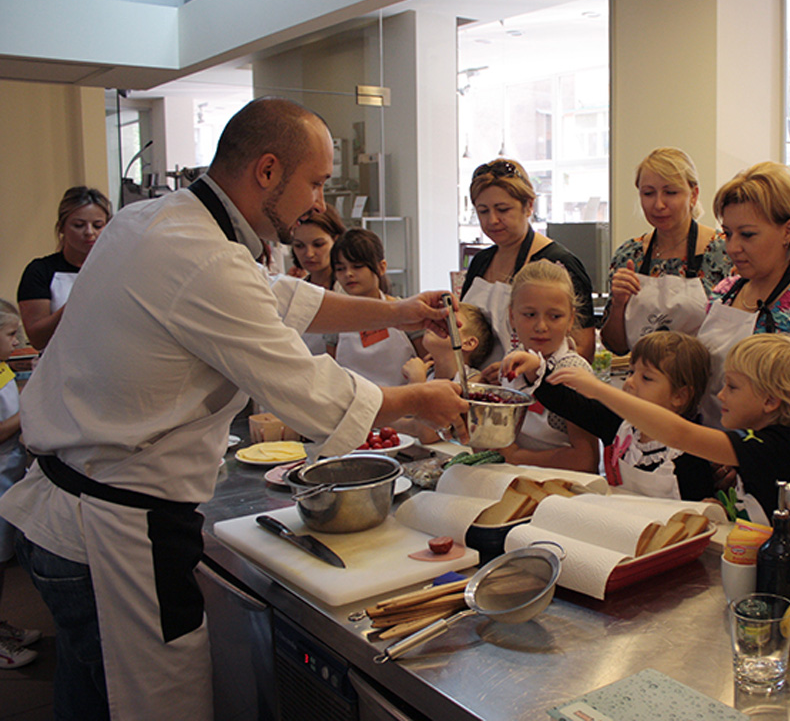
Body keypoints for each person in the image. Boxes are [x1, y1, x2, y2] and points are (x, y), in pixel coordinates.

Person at [0, 97, 468, 721]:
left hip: (71, 511)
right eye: (318, 182)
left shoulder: (160, 219)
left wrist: (399, 310)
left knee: (87, 697)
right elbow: (310, 391)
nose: (321, 204)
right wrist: (423, 400)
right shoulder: (203, 257)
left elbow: (280, 299)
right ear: (268, 171)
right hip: (116, 531)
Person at [549, 334, 790, 523]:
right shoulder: (768, 441)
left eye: (732, 387)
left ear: (770, 401)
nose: (720, 396)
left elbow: (678, 434)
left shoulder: (775, 445)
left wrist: (598, 389)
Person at [696, 162, 790, 426]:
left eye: (747, 235)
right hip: (710, 443)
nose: (732, 248)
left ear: (787, 231)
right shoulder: (724, 293)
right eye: (728, 234)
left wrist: (757, 453)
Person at [502, 330, 715, 500]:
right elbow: (570, 404)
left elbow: (700, 510)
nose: (630, 382)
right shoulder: (619, 424)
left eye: (646, 378)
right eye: (631, 372)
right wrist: (535, 368)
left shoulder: (691, 454)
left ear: (679, 396)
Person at [460, 158, 595, 364]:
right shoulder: (481, 261)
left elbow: (583, 349)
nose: (492, 220)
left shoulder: (559, 263)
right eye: (483, 211)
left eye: (503, 209)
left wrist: (526, 372)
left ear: (529, 206)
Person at [598, 148, 731, 355]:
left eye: (671, 192)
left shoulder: (724, 251)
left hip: (707, 382)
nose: (658, 204)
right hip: (644, 381)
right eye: (648, 193)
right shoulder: (629, 255)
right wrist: (618, 304)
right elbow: (616, 346)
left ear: (693, 195)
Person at [496, 260, 600, 473]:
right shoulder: (511, 360)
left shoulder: (573, 373)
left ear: (571, 319)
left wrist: (517, 456)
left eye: (555, 316)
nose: (541, 326)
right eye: (530, 314)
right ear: (512, 316)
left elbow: (585, 460)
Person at [17, 186, 112, 349]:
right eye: (78, 225)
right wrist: (77, 301)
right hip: (61, 367)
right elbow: (37, 338)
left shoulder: (115, 268)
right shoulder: (40, 271)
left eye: (97, 225)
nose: (89, 233)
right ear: (61, 227)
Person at [329, 229, 418, 387]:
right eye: (340, 269)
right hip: (353, 405)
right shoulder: (335, 319)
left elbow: (426, 365)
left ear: (381, 267)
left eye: (357, 266)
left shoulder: (406, 313)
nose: (348, 274)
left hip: (403, 404)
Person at [0, 300, 38, 670]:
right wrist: (25, 415)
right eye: (11, 335)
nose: (17, 343)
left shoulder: (3, 370)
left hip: (8, 476)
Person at [290, 204, 346, 354]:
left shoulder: (350, 291)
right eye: (299, 246)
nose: (308, 254)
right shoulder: (292, 292)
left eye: (318, 244)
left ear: (336, 240)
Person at [404, 302, 493, 386]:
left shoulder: (474, 383)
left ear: (469, 343)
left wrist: (417, 381)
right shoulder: (426, 374)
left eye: (447, 320)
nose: (436, 322)